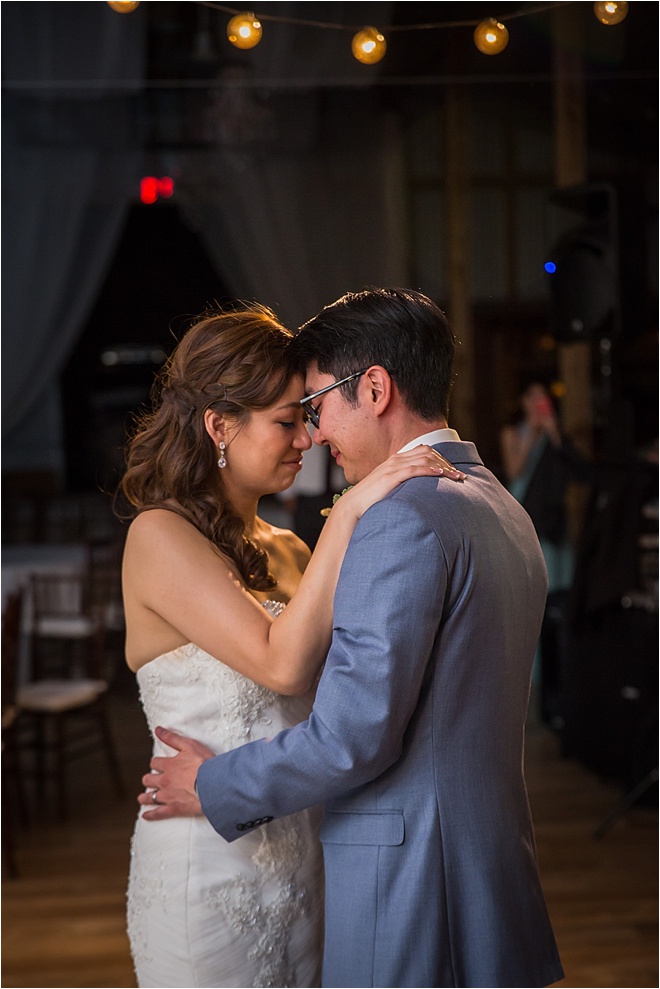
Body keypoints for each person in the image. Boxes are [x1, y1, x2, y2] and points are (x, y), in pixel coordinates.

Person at [140, 288, 564, 988]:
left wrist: (212, 782)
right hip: (482, 872)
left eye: (317, 404)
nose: (314, 434)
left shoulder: (403, 517)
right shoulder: (498, 502)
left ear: (373, 388)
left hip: (413, 883)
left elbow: (353, 736)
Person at [500, 380, 589, 727]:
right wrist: (534, 433)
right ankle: (535, 682)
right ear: (523, 401)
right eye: (533, 396)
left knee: (557, 598)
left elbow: (577, 469)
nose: (539, 402)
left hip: (551, 523)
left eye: (543, 397)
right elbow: (514, 469)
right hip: (524, 514)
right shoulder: (513, 433)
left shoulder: (556, 436)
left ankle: (559, 687)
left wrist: (552, 432)